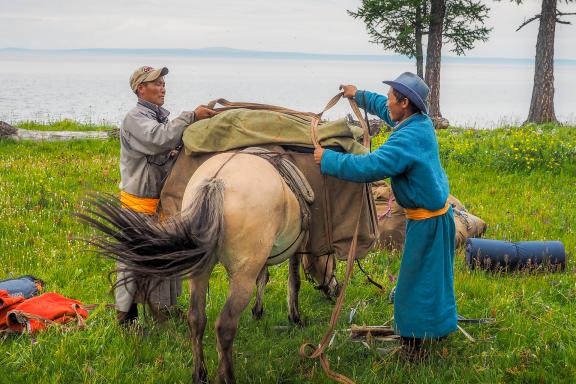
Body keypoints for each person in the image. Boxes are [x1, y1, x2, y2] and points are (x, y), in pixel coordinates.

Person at [314, 72, 457, 358]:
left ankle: (413, 348)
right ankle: (437, 328)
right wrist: (358, 95)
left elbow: (370, 166)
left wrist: (327, 159)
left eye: (392, 97)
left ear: (404, 103)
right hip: (438, 217)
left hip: (427, 222)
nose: (388, 101)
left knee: (412, 286)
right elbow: (383, 106)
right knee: (434, 280)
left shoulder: (407, 139)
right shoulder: (417, 122)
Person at [117, 65, 216, 325]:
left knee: (163, 255)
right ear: (141, 89)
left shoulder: (158, 116)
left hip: (158, 202)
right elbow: (158, 140)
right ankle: (125, 315)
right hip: (138, 205)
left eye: (163, 83)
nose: (163, 87)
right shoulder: (135, 118)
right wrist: (191, 117)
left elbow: (163, 148)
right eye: (157, 83)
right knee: (133, 259)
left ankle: (162, 309)